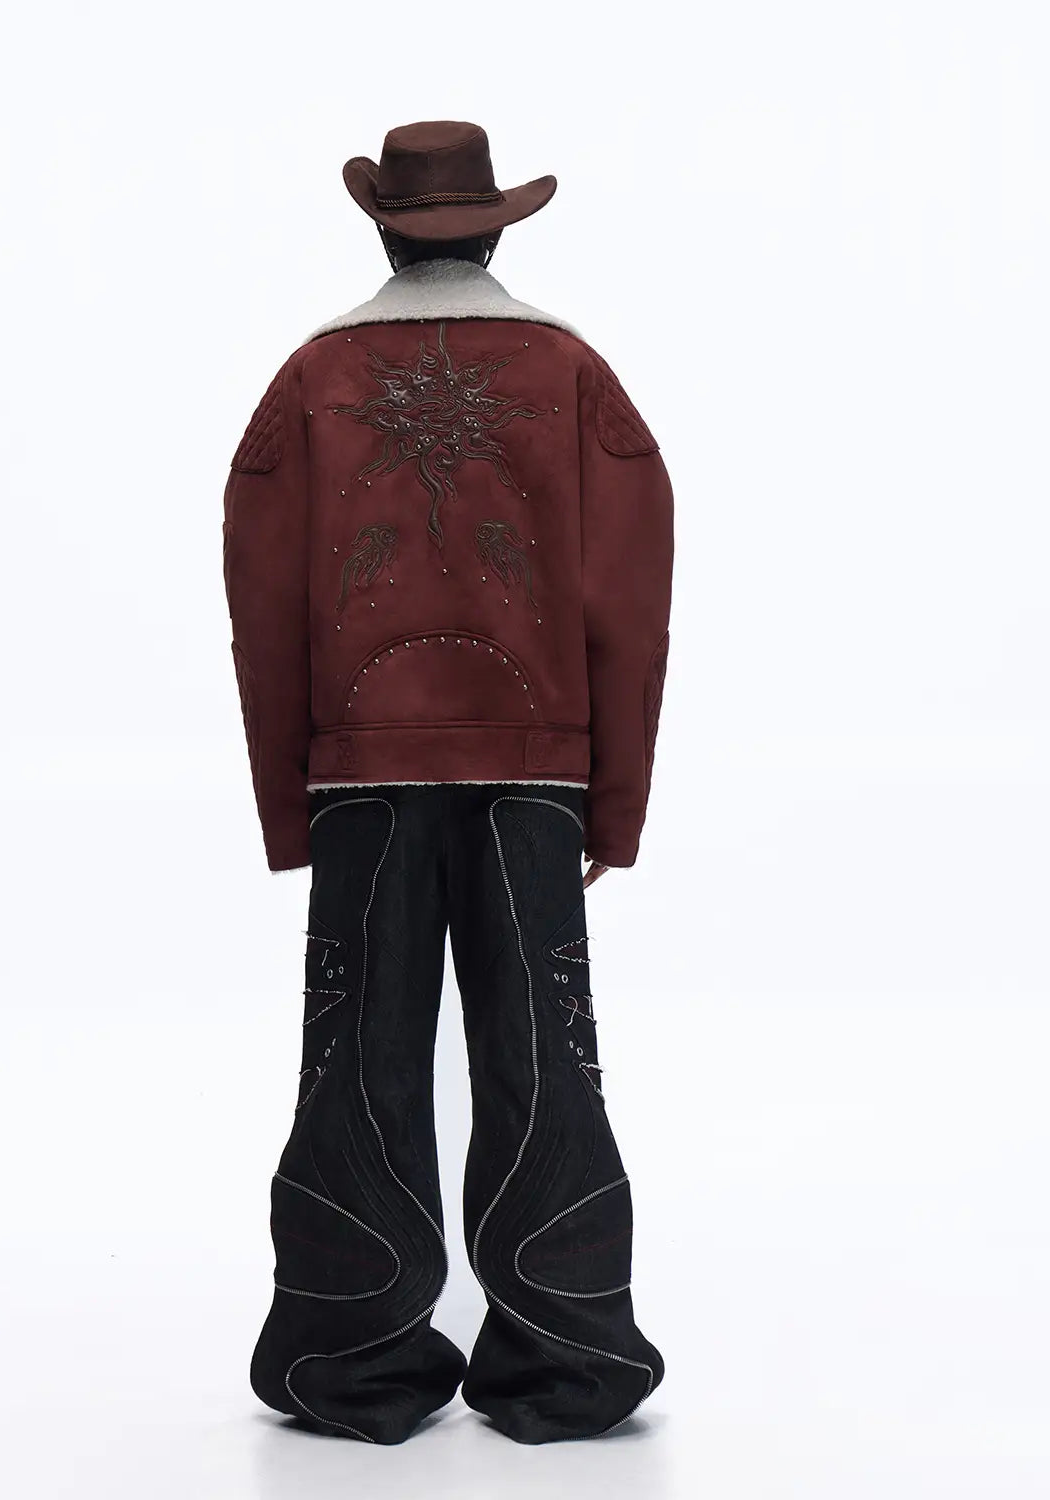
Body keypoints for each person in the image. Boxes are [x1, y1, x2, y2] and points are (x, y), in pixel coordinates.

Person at [221, 120, 674, 1445]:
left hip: (363, 776)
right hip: (534, 772)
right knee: (547, 1055)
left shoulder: (312, 379)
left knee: (354, 1061)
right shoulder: (571, 371)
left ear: (380, 226)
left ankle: (346, 1350)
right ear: (495, 228)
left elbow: (262, 600)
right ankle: (570, 1353)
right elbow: (632, 594)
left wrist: (292, 801)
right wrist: (613, 801)